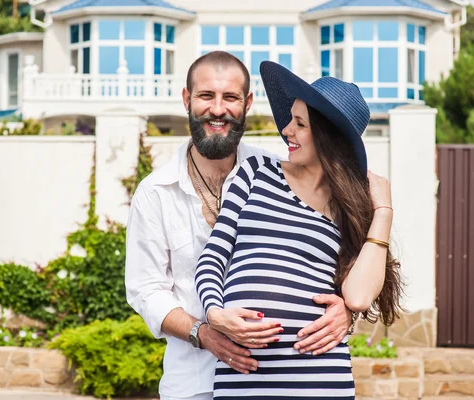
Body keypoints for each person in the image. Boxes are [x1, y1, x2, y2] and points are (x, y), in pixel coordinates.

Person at [125, 52, 355, 400]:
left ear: (247, 103)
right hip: (193, 384)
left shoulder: (278, 171)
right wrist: (204, 333)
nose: (218, 109)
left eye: (230, 97)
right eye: (206, 96)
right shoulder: (154, 193)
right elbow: (146, 291)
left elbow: (333, 251)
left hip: (286, 380)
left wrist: (348, 311)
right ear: (187, 99)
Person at [195, 61, 404, 399]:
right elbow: (214, 256)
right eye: (291, 119)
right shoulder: (256, 173)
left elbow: (359, 296)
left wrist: (383, 211)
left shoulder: (350, 207)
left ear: (327, 135)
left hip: (320, 377)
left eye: (300, 123)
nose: (286, 130)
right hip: (242, 377)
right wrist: (215, 313)